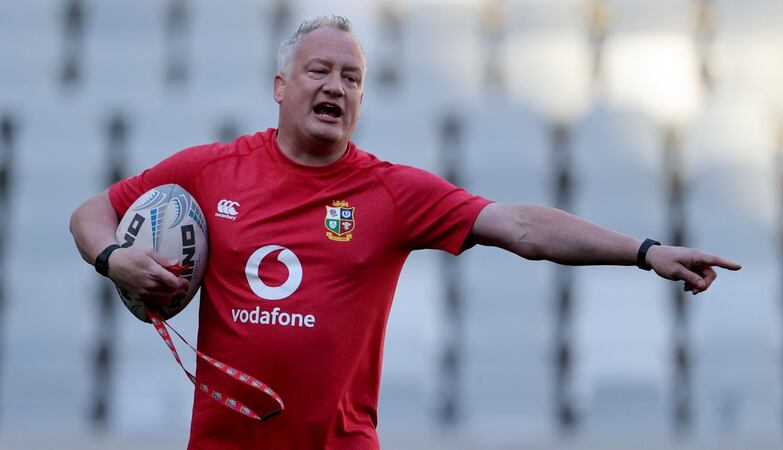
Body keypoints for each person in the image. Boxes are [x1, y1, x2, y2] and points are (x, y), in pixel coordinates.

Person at [70, 15, 740, 450]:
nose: (337, 86)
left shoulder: (390, 192)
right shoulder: (210, 171)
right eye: (320, 71)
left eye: (352, 77)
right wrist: (113, 257)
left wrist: (645, 252)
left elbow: (524, 227)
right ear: (280, 87)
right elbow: (90, 212)